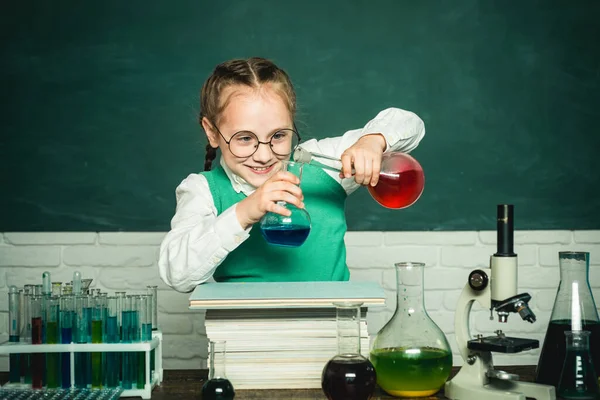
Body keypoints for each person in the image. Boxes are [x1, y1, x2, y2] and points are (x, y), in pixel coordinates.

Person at [158, 57, 425, 292]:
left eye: (278, 136)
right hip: (244, 341)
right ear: (212, 132)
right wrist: (245, 211)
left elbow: (410, 123)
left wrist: (372, 140)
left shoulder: (323, 164)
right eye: (244, 138)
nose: (264, 155)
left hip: (333, 337)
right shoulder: (202, 190)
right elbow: (177, 276)